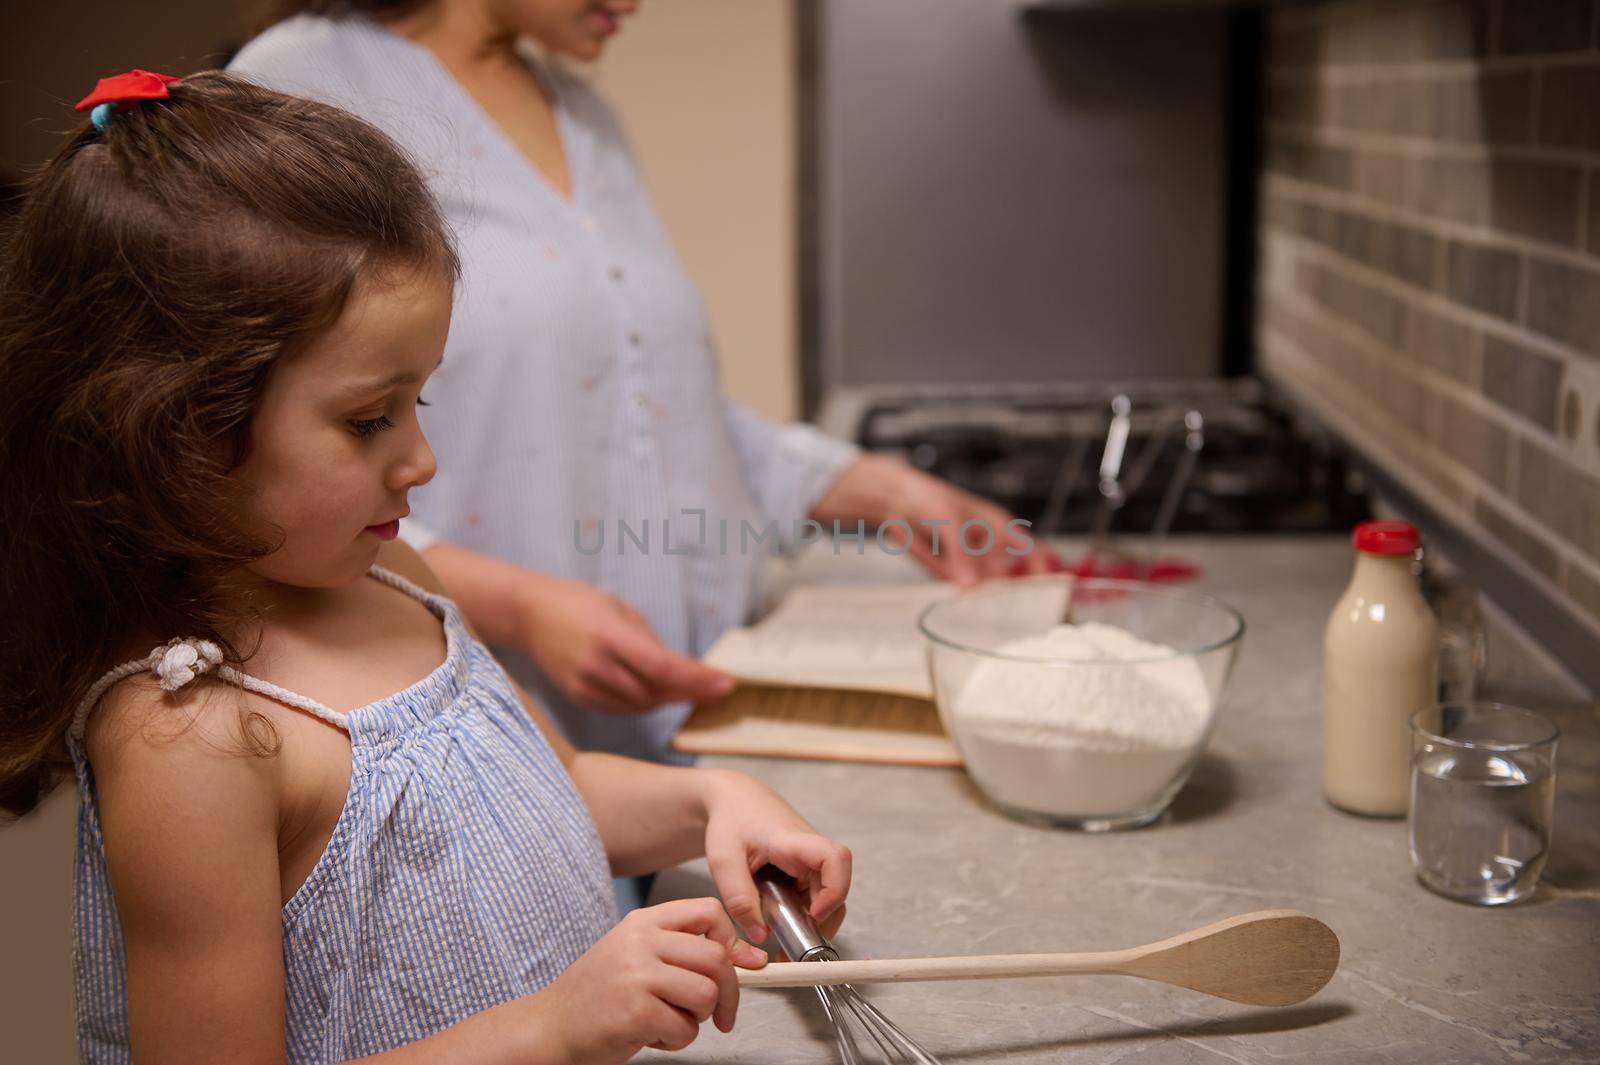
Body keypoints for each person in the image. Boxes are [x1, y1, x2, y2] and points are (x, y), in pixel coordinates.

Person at [0, 69, 850, 1063]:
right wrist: (555, 1024)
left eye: (420, 405)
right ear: (171, 432)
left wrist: (708, 804)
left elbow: (554, 793)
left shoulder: (402, 586)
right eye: (368, 420)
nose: (420, 461)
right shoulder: (193, 736)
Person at [230, 0, 1050, 769]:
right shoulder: (300, 83)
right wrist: (519, 606)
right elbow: (265, 453)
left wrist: (883, 492)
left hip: (690, 717)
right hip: (484, 721)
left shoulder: (585, 116)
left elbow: (648, 406)